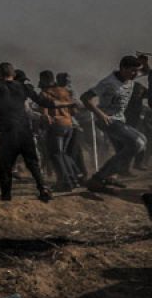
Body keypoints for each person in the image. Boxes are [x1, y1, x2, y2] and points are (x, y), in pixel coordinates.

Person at [82, 54, 151, 193]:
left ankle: (109, 177)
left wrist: (145, 62)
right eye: (132, 70)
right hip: (108, 120)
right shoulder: (108, 82)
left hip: (119, 120)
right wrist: (100, 114)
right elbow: (85, 97)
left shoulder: (129, 76)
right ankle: (98, 178)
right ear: (122, 68)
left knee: (124, 150)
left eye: (136, 71)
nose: (135, 74)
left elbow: (146, 71)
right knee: (138, 142)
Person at [0, 62, 56, 202]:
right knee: (32, 162)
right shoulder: (24, 87)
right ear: (13, 74)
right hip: (24, 130)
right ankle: (42, 187)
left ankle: (6, 196)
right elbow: (41, 101)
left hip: (8, 131)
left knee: (5, 166)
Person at [39, 71, 82, 192]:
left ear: (44, 80)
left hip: (56, 125)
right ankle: (73, 178)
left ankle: (64, 183)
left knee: (56, 154)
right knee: (63, 153)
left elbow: (44, 114)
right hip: (69, 125)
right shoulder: (64, 91)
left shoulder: (44, 93)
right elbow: (75, 111)